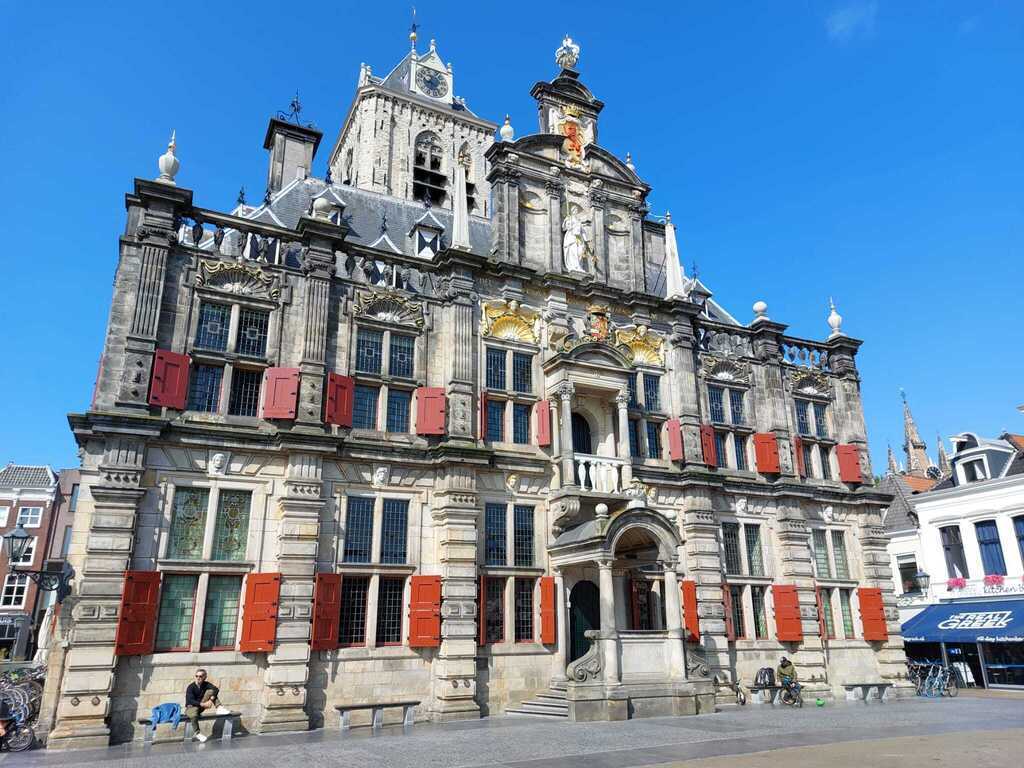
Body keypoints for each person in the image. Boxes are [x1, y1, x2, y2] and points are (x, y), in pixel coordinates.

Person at [184, 669, 230, 742]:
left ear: (204, 677)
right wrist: (203, 704)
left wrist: (211, 700)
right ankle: (197, 733)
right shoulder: (191, 687)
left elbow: (216, 689)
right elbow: (190, 700)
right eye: (196, 676)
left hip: (200, 707)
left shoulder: (205, 684)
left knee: (211, 691)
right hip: (191, 708)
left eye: (200, 676)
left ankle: (219, 707)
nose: (198, 678)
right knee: (193, 715)